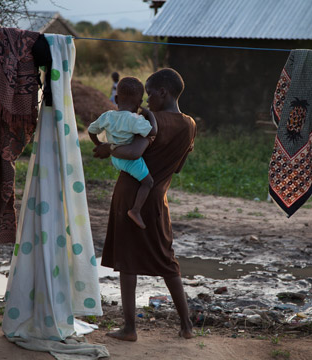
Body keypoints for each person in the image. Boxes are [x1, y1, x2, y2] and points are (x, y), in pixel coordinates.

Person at [93, 68, 196, 341]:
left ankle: (129, 329)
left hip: (130, 193)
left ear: (163, 92)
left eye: (149, 94)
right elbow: (179, 168)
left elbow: (133, 151)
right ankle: (186, 326)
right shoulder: (190, 125)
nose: (145, 101)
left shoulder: (148, 121)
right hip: (158, 199)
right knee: (166, 260)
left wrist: (109, 149)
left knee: (128, 261)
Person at [88, 77, 157, 229]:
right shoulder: (134, 119)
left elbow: (91, 130)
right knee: (148, 183)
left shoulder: (107, 116)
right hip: (129, 159)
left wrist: (99, 144)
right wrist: (150, 114)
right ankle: (135, 210)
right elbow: (153, 131)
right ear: (139, 103)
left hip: (116, 159)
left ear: (117, 98)